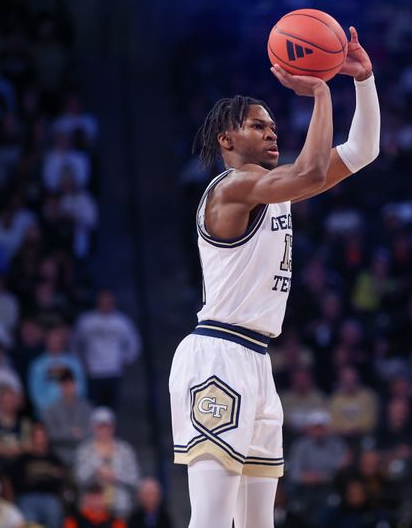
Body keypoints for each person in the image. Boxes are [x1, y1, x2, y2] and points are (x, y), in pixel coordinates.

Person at [168, 26, 379, 528]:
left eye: (273, 127)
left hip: (258, 361)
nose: (271, 133)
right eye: (257, 127)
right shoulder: (233, 188)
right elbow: (308, 173)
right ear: (226, 139)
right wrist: (323, 89)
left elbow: (364, 150)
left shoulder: (273, 187)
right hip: (217, 354)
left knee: (260, 523)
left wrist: (363, 80)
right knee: (214, 519)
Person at [73, 289, 140, 409]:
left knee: (111, 409)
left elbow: (134, 343)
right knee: (93, 408)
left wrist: (125, 360)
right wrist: (81, 362)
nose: (105, 304)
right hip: (93, 372)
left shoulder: (121, 322)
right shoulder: (86, 321)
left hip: (113, 371)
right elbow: (75, 343)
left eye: (108, 301)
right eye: (102, 301)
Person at [74, 407, 140, 519]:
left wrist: (116, 476)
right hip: (92, 508)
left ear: (113, 427)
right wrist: (95, 473)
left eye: (107, 426)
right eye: (100, 426)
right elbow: (78, 479)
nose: (104, 430)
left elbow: (135, 479)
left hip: (120, 506)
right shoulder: (84, 450)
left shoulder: (125, 450)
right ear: (93, 427)